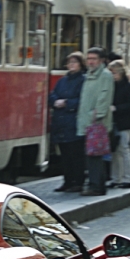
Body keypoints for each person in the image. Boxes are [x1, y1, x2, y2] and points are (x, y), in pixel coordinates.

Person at [76, 47, 114, 196]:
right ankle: (96, 183)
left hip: (96, 122)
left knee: (95, 156)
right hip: (87, 120)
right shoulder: (89, 75)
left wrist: (96, 114)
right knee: (91, 155)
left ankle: (96, 186)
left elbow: (104, 96)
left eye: (94, 59)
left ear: (101, 60)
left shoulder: (105, 75)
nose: (90, 61)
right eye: (89, 58)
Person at [49, 52, 87, 192]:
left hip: (74, 121)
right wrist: (55, 101)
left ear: (80, 64)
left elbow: (83, 100)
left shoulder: (83, 80)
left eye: (74, 62)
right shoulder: (62, 80)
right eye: (69, 62)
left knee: (75, 154)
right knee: (64, 154)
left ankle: (78, 181)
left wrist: (66, 102)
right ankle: (67, 181)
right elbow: (52, 94)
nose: (71, 65)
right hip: (61, 122)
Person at [108, 60, 130, 189]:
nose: (112, 75)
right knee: (114, 151)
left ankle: (127, 178)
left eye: (113, 72)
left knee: (124, 149)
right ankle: (116, 178)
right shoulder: (110, 86)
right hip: (113, 121)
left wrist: (116, 108)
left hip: (123, 121)